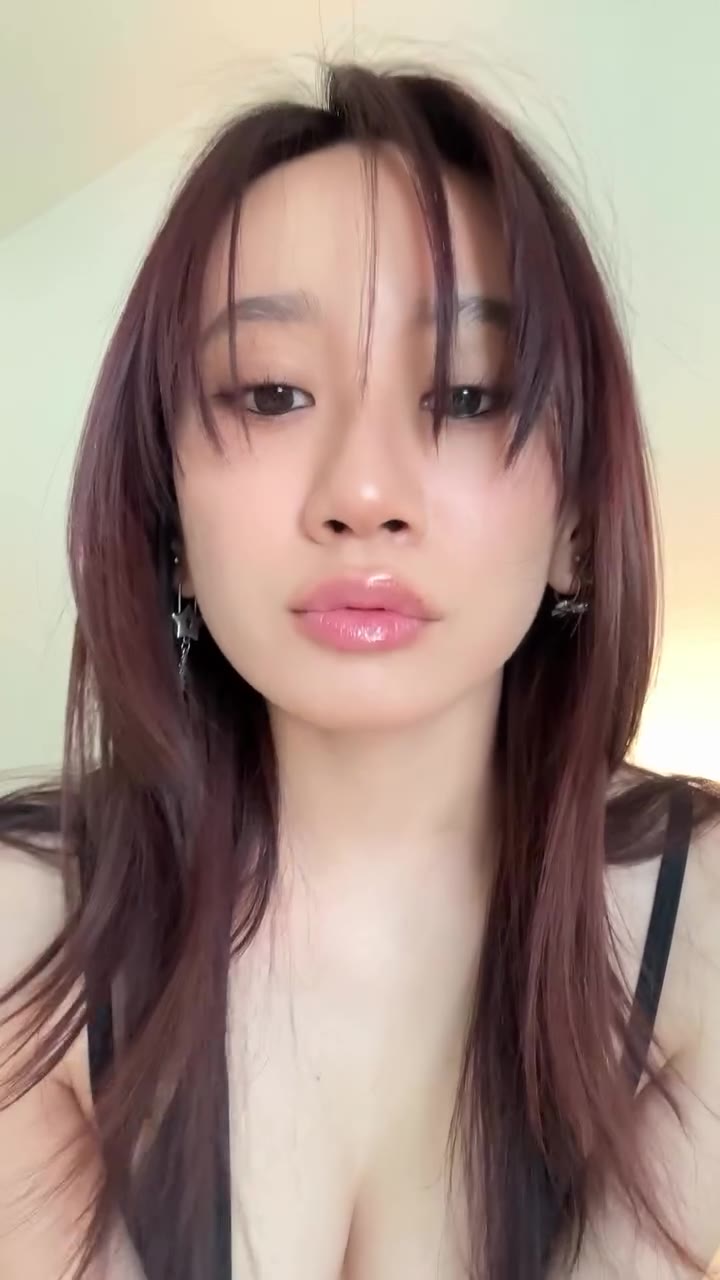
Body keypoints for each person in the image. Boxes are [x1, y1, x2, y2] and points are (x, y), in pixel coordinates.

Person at [0, 59, 719, 1280]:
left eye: (469, 393)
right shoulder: (27, 939)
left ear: (577, 521)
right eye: (272, 392)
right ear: (170, 522)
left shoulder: (697, 926)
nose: (365, 492)